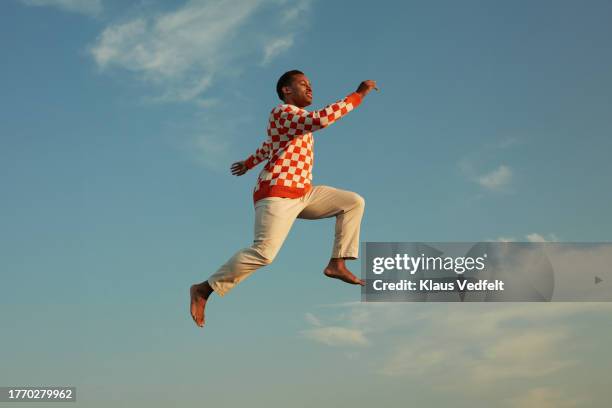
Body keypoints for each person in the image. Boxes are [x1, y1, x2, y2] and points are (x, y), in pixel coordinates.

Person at [190, 70, 377, 327]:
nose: (310, 88)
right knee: (264, 253)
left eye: (311, 84)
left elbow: (270, 145)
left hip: (303, 192)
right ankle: (204, 289)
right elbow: (321, 120)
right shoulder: (283, 112)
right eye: (303, 84)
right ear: (287, 91)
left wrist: (248, 162)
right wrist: (358, 95)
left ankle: (337, 262)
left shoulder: (294, 123)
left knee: (353, 201)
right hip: (277, 192)